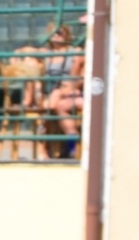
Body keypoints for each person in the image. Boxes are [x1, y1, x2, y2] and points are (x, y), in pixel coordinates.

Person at [40, 24, 85, 158]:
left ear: (67, 34)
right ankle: (70, 148)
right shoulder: (45, 53)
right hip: (51, 94)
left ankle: (71, 148)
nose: (56, 35)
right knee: (55, 106)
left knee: (49, 109)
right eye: (53, 32)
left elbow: (81, 76)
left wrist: (69, 88)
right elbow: (23, 51)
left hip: (69, 91)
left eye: (60, 32)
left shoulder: (75, 52)